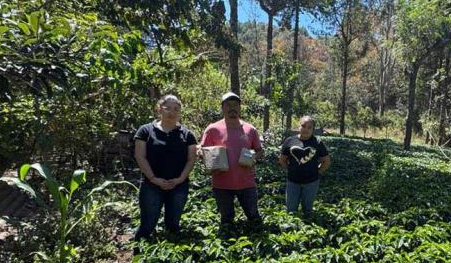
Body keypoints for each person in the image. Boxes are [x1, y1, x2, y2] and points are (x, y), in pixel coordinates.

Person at [133, 94, 197, 240]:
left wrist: (180, 179)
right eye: (167, 108)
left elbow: (191, 159)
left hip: (179, 186)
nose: (172, 112)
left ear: (180, 112)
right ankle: (138, 257)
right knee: (147, 224)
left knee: (173, 224)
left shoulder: (187, 135)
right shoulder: (145, 131)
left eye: (176, 109)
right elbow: (140, 156)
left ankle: (170, 257)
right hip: (151, 185)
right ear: (159, 109)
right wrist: (154, 178)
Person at [200, 92, 265, 226]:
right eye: (228, 105)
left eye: (235, 105)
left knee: (254, 217)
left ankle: (254, 242)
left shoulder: (250, 129)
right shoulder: (212, 129)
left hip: (246, 183)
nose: (232, 108)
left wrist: (252, 157)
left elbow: (259, 151)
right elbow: (202, 150)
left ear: (240, 107)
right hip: (221, 184)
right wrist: (210, 159)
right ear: (222, 108)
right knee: (226, 220)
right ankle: (229, 244)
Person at [279, 116, 330, 216]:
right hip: (293, 182)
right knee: (291, 210)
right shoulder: (289, 141)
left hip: (311, 182)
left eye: (309, 127)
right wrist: (290, 170)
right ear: (299, 126)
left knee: (308, 211)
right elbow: (282, 160)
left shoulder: (317, 143)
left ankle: (307, 227)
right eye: (303, 126)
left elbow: (326, 161)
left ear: (313, 129)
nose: (306, 129)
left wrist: (317, 172)